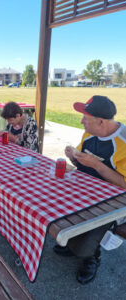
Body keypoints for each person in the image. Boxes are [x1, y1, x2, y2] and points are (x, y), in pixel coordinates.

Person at [53, 95, 126, 284]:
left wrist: (98, 166)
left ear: (101, 121)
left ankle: (91, 257)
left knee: (86, 236)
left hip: (111, 200)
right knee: (55, 208)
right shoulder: (89, 133)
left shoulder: (123, 144)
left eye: (85, 118)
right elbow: (82, 163)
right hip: (84, 188)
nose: (81, 121)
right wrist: (74, 157)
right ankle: (73, 244)